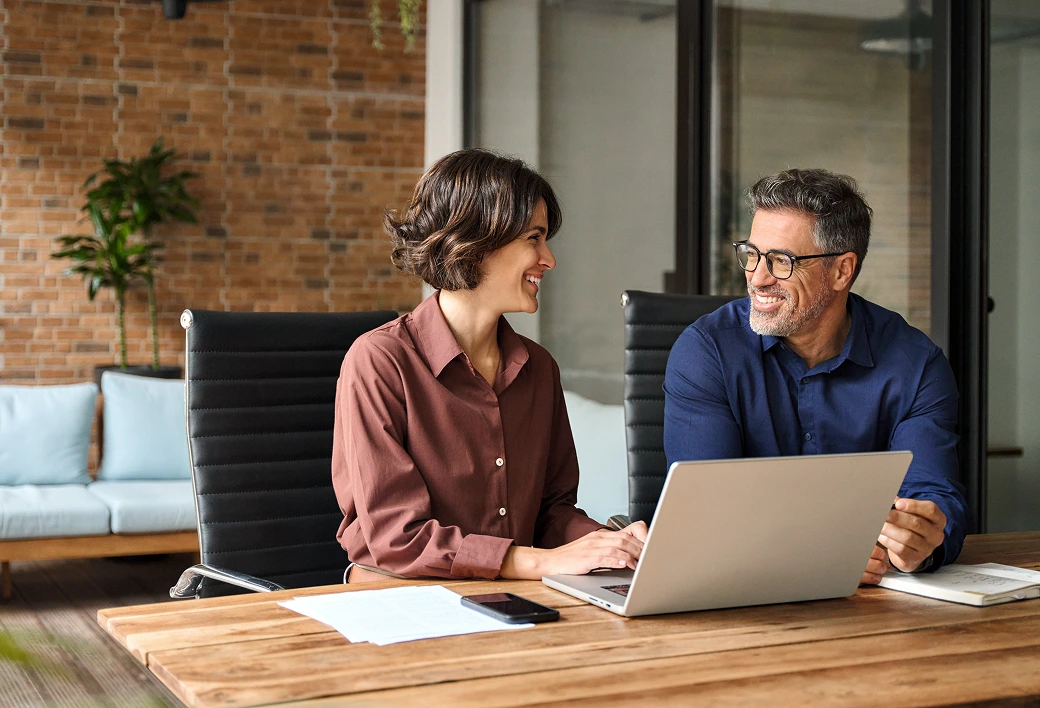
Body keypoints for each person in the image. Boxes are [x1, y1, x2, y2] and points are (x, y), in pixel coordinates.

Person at [332, 149, 648, 582]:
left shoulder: (538, 369)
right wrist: (540, 562)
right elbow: (398, 537)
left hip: (512, 594)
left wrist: (613, 546)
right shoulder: (380, 362)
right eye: (533, 239)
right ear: (478, 243)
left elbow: (551, 513)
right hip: (402, 597)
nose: (548, 259)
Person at [663, 168, 967, 583]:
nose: (757, 277)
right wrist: (819, 552)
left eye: (781, 261)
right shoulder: (707, 351)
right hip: (735, 597)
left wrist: (919, 545)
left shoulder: (917, 365)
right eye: (751, 254)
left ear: (843, 270)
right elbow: (702, 510)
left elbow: (935, 498)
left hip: (873, 604)